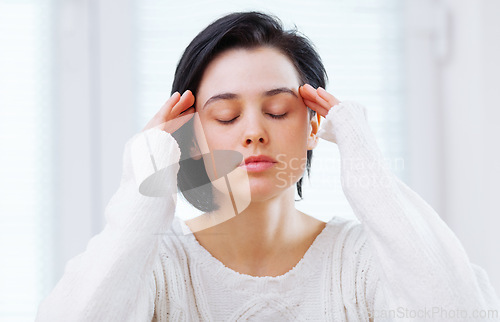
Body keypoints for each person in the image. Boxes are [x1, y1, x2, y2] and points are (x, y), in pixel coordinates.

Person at [36, 11, 499, 321]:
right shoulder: (154, 265)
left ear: (315, 125)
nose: (254, 131)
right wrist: (145, 183)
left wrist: (369, 171)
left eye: (277, 110)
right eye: (225, 115)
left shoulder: (361, 261)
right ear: (189, 136)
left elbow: (460, 311)